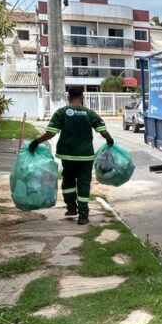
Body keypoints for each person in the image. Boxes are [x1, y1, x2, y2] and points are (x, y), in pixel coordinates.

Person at [28, 87, 113, 225]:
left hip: (67, 155)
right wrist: (110, 140)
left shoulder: (61, 113)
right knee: (84, 184)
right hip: (85, 157)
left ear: (68, 97)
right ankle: (83, 216)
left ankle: (71, 208)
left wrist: (36, 142)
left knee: (68, 181)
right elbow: (103, 131)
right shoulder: (89, 113)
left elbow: (50, 133)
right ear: (83, 97)